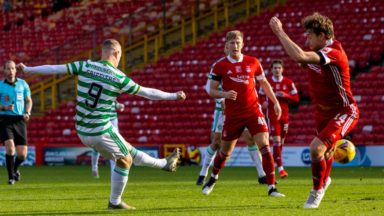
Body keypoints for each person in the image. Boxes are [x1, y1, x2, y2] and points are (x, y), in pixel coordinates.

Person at [18, 38, 186, 210]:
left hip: (82, 129)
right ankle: (115, 202)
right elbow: (147, 92)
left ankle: (164, 164)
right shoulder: (118, 77)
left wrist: (29, 69)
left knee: (129, 149)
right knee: (125, 160)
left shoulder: (85, 66)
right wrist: (173, 96)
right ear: (116, 53)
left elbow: (55, 68)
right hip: (99, 130)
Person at [270, 13, 359, 208]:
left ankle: (316, 191)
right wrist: (302, 59)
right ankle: (325, 180)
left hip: (344, 111)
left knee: (316, 148)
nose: (306, 39)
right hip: (322, 112)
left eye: (309, 35)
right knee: (325, 154)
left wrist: (279, 31)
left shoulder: (334, 51)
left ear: (322, 36)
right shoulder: (318, 53)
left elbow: (299, 56)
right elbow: (302, 60)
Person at [202, 30, 284, 197]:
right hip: (233, 115)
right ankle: (213, 177)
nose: (235, 45)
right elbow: (211, 90)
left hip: (254, 111)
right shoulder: (220, 66)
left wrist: (275, 102)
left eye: (238, 42)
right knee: (225, 152)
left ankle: (272, 188)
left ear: (243, 44)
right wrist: (224, 94)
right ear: (227, 46)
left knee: (265, 147)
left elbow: (265, 83)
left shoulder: (253, 62)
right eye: (232, 43)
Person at [92, 101, 178, 179]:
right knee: (120, 154)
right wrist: (173, 96)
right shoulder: (104, 88)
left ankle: (163, 164)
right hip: (102, 122)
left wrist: (118, 105)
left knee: (123, 151)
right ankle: (163, 164)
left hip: (99, 123)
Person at [196, 93, 267, 186]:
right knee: (216, 142)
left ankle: (262, 175)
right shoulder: (219, 78)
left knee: (250, 138)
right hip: (223, 108)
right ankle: (203, 173)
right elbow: (212, 87)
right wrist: (221, 100)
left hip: (243, 107)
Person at [259, 59, 299, 179]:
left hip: (285, 116)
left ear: (282, 69)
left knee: (281, 143)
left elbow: (296, 98)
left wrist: (285, 95)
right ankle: (281, 169)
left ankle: (276, 161)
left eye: (279, 68)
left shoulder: (288, 82)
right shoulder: (267, 82)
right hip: (272, 115)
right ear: (271, 70)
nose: (277, 70)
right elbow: (259, 96)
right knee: (276, 141)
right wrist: (263, 103)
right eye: (274, 68)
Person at [0, 60, 32, 185]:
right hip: (5, 119)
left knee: (22, 155)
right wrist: (4, 108)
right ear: (4, 71)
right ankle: (11, 177)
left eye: (13, 68)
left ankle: (15, 169)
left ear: (16, 70)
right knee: (10, 149)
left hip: (20, 120)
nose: (11, 71)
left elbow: (28, 100)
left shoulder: (23, 84)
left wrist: (27, 112)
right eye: (8, 68)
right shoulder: (0, 85)